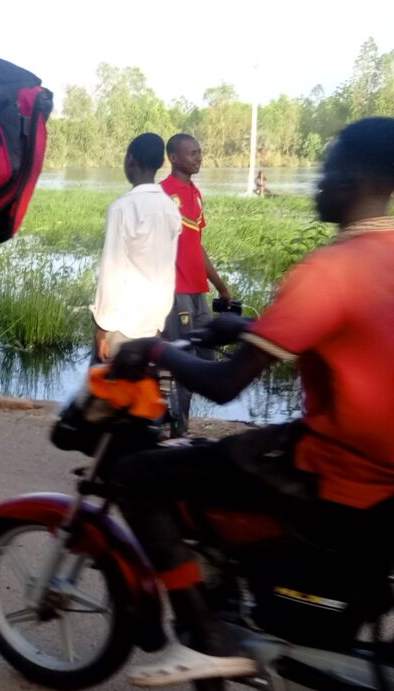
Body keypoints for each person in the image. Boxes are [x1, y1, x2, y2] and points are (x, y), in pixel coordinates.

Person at [105, 117, 394, 687]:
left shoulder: (330, 269)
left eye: (328, 168)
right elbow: (342, 329)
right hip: (381, 469)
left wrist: (157, 347)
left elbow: (224, 385)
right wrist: (244, 325)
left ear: (358, 176)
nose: (318, 182)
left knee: (138, 473)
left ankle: (207, 638)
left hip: (338, 471)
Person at [159, 134, 231, 436]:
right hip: (175, 292)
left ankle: (169, 419)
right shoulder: (161, 194)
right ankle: (177, 429)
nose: (198, 158)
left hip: (199, 291)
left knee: (206, 358)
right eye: (192, 153)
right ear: (174, 157)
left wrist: (220, 286)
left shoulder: (196, 193)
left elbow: (197, 247)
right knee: (182, 363)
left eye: (200, 153)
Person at [91, 133, 180, 362]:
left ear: (130, 160)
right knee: (141, 392)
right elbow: (167, 274)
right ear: (160, 163)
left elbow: (111, 273)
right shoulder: (169, 208)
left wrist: (102, 330)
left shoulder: (123, 208)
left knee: (106, 392)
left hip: (122, 324)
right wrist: (159, 322)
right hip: (152, 325)